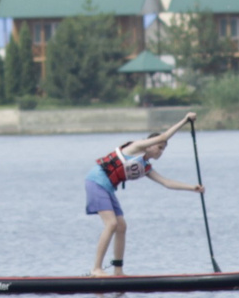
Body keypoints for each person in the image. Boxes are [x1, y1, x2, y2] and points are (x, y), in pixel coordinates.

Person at [86, 114, 202, 276]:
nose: (160, 151)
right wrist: (185, 120)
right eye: (159, 147)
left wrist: (193, 188)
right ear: (149, 145)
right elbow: (163, 136)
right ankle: (96, 269)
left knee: (121, 226)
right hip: (96, 182)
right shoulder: (136, 147)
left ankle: (118, 271)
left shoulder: (145, 167)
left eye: (163, 149)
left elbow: (166, 182)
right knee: (111, 224)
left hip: (108, 188)